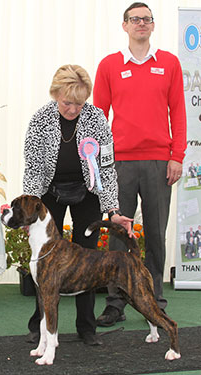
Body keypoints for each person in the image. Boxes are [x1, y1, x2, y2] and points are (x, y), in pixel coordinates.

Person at [23, 64, 133, 346]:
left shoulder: (97, 118)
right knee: (47, 265)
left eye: (79, 103)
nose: (73, 109)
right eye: (67, 102)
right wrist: (29, 217)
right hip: (49, 195)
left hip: (88, 194)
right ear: (55, 94)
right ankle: (40, 328)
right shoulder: (40, 120)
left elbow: (107, 168)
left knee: (87, 262)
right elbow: (33, 169)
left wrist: (113, 209)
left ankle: (87, 328)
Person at [93, 2, 187, 327]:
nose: (141, 24)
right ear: (125, 26)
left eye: (146, 19)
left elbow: (179, 112)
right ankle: (116, 302)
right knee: (119, 235)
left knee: (156, 235)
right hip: (120, 163)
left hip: (160, 163)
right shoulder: (108, 65)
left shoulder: (170, 64)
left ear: (152, 25)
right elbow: (97, 118)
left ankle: (156, 300)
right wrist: (100, 163)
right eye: (135, 19)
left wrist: (177, 156)